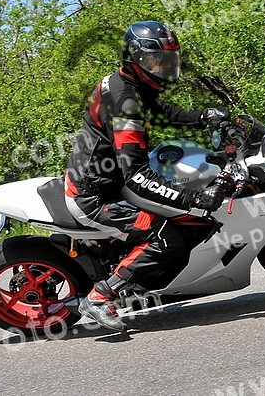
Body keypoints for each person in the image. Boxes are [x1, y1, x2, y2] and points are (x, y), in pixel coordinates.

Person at [65, 20, 230, 331]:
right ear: (135, 58)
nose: (164, 67)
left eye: (168, 60)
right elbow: (136, 175)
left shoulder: (129, 85)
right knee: (166, 236)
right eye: (157, 61)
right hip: (94, 197)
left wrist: (202, 117)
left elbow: (161, 112)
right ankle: (101, 296)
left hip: (106, 181)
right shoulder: (125, 105)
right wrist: (195, 199)